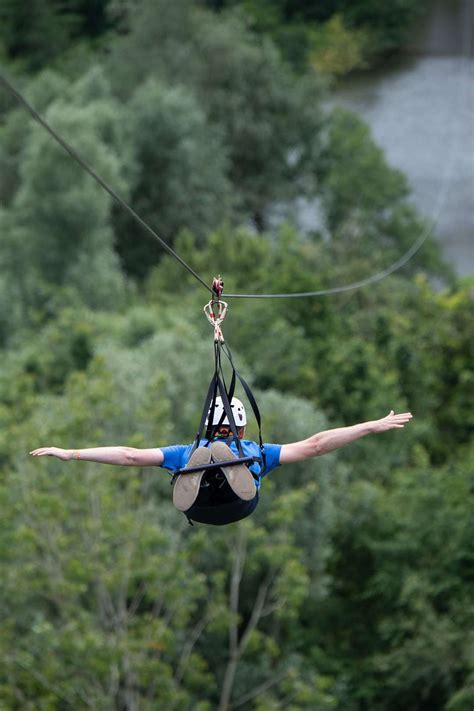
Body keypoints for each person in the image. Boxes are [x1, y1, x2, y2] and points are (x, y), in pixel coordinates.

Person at [30, 399, 413, 526]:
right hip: (240, 506)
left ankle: (205, 468)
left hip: (199, 508)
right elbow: (315, 446)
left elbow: (129, 456)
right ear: (243, 429)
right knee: (249, 462)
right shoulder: (261, 452)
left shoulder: (183, 450)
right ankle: (229, 468)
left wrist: (73, 453)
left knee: (185, 456)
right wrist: (368, 426)